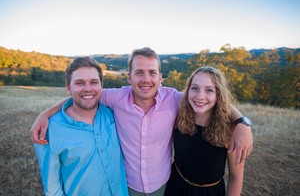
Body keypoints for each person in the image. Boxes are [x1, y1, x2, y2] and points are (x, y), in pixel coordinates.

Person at [30, 47, 253, 196]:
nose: (146, 79)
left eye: (152, 73)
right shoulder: (115, 98)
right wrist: (46, 113)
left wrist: (242, 122)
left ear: (160, 77)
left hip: (164, 185)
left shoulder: (175, 99)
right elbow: (86, 93)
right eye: (139, 73)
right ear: (129, 77)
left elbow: (211, 97)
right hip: (126, 186)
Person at [34, 57, 128, 195]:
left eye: (94, 82)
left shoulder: (113, 114)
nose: (88, 88)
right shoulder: (50, 130)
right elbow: (52, 188)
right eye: (79, 83)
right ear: (68, 87)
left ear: (101, 86)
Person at [164, 66, 248, 196]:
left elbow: (236, 178)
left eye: (209, 90)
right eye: (195, 88)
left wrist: (242, 123)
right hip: (175, 187)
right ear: (188, 90)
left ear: (218, 95)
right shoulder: (178, 117)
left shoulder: (230, 130)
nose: (200, 96)